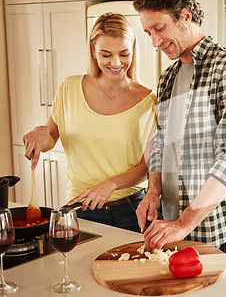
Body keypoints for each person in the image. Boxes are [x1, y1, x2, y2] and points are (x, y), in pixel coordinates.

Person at [133, 0, 226, 253]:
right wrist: (152, 190)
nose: (154, 41)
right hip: (167, 226)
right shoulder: (168, 77)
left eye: (159, 28)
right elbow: (162, 144)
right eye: (147, 32)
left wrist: (183, 224)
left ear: (185, 16)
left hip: (208, 229)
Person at [22, 13, 157, 233]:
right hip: (81, 207)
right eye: (106, 54)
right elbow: (52, 136)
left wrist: (110, 184)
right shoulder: (70, 88)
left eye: (124, 53)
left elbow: (147, 167)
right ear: (93, 52)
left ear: (133, 49)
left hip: (131, 209)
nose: (116, 63)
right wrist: (41, 131)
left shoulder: (147, 100)